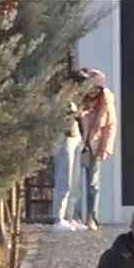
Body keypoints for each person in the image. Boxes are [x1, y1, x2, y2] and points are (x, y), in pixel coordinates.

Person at [75, 69, 116, 230]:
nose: (93, 92)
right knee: (73, 183)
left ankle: (92, 217)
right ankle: (74, 217)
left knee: (93, 183)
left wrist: (106, 148)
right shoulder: (77, 98)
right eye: (90, 87)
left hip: (95, 145)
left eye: (97, 88)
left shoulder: (106, 100)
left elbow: (111, 124)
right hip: (77, 142)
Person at [50, 86, 84, 231]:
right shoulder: (62, 96)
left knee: (75, 180)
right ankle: (59, 218)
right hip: (65, 137)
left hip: (76, 135)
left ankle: (70, 217)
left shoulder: (80, 96)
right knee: (65, 178)